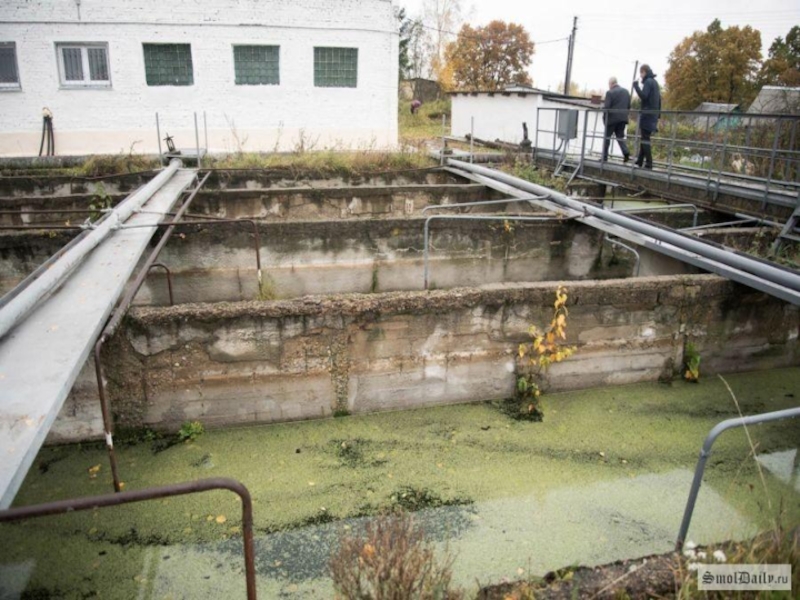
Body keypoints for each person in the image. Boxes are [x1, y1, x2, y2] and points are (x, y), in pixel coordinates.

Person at [632, 64, 661, 169]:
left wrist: (636, 86)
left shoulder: (648, 82)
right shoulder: (655, 82)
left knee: (645, 139)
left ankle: (649, 162)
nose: (640, 76)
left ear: (644, 72)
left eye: (641, 73)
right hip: (653, 114)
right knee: (644, 138)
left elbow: (644, 96)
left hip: (647, 114)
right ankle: (640, 160)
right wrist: (658, 115)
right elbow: (659, 100)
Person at [601, 77, 631, 162]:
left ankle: (604, 157)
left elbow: (607, 107)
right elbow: (628, 106)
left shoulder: (609, 93)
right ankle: (626, 152)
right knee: (620, 137)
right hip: (622, 119)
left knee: (607, 138)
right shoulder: (626, 92)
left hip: (612, 119)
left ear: (611, 84)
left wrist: (604, 118)